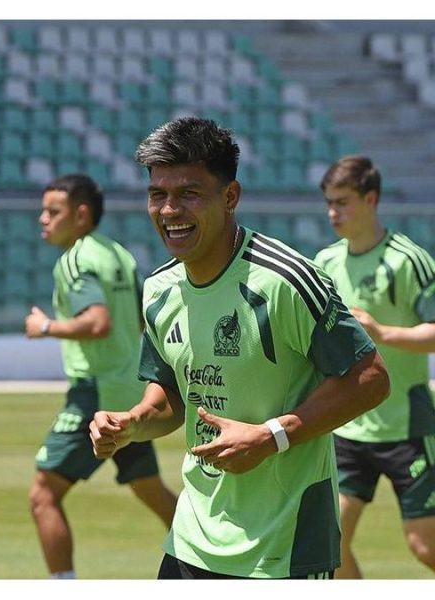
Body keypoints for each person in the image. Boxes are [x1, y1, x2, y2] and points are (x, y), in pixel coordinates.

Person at [89, 117, 390, 579]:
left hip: (283, 547)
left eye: (188, 193)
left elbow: (370, 378)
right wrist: (131, 423)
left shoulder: (286, 280)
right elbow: (169, 394)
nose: (169, 210)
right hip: (192, 539)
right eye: (157, 195)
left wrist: (272, 436)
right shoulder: (157, 290)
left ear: (230, 196)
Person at [24, 173, 177, 578]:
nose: (43, 219)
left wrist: (45, 327)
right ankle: (215, 567)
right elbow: (142, 319)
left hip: (96, 395)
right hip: (131, 391)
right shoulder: (118, 254)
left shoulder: (76, 259)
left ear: (81, 214)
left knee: (43, 495)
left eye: (53, 211)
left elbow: (97, 322)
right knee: (151, 491)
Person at [313, 155, 435, 578]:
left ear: (372, 199)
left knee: (424, 547)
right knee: (330, 541)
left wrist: (381, 333)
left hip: (406, 426)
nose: (333, 212)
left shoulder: (408, 261)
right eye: (329, 203)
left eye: (342, 202)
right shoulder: (324, 263)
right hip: (348, 426)